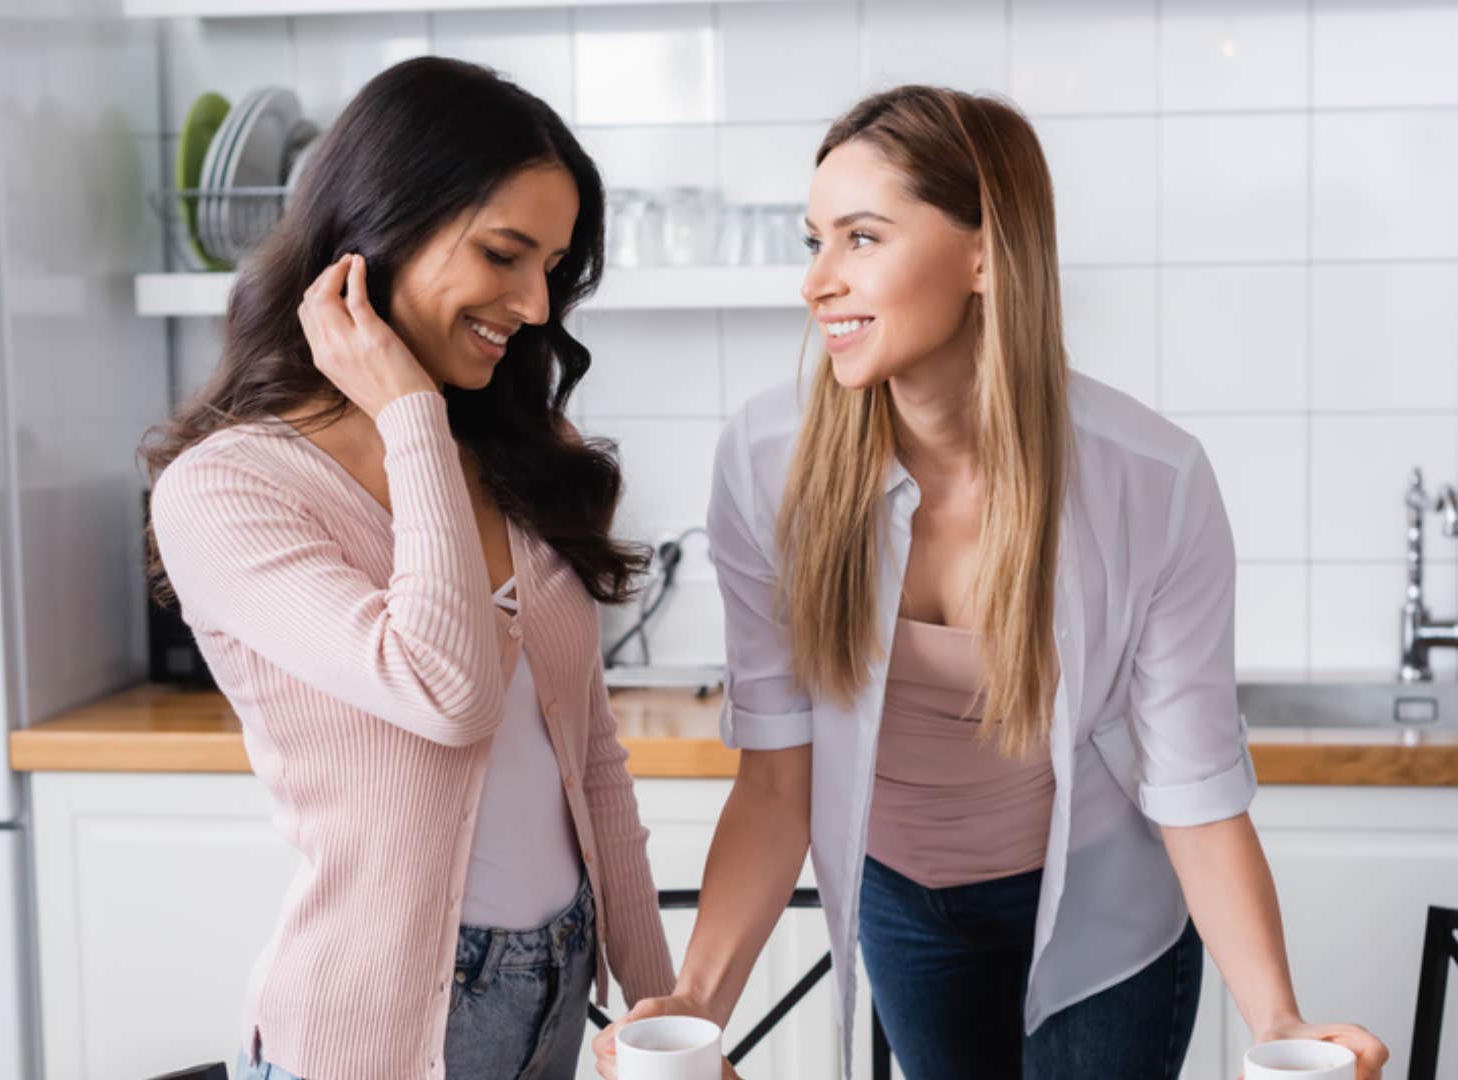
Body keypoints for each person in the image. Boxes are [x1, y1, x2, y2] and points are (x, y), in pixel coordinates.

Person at [595, 85, 1389, 1080]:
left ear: (984, 253)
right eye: (815, 242)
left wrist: (1277, 1022)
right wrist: (698, 1010)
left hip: (1104, 909)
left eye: (863, 237)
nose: (817, 284)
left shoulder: (1150, 479)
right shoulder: (769, 462)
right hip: (904, 903)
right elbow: (776, 777)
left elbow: (1193, 785)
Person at [145, 57, 673, 1080]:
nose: (532, 303)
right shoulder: (230, 490)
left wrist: (660, 1016)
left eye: (554, 268)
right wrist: (408, 416)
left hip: (560, 996)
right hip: (378, 1036)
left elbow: (595, 764)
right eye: (503, 254)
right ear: (377, 229)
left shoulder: (515, 453)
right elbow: (447, 689)